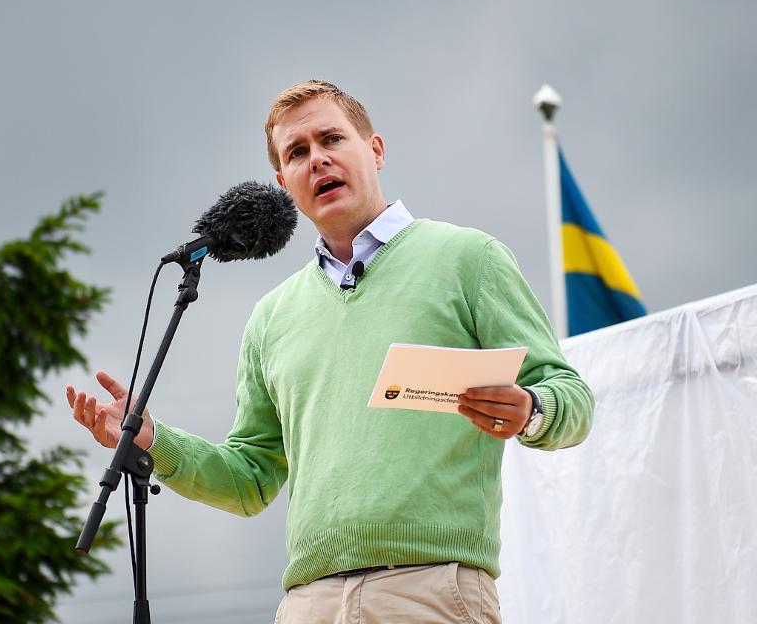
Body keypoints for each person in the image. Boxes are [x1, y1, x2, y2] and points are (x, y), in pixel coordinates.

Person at [67, 80, 593, 623]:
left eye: (332, 140)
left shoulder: (468, 259)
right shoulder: (271, 318)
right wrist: (155, 440)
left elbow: (570, 396)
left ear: (375, 150)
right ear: (283, 183)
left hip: (430, 591)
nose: (317, 159)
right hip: (308, 604)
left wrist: (532, 409)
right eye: (298, 152)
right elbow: (250, 479)